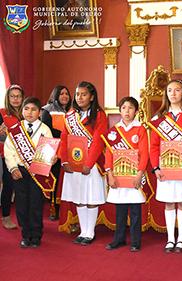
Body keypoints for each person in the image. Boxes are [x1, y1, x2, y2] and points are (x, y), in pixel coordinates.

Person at [149, 79, 182, 254]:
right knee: (169, 203)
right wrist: (156, 167)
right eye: (169, 90)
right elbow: (154, 145)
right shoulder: (159, 117)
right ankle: (170, 239)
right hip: (165, 167)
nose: (173, 93)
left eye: (177, 90)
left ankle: (181, 239)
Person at [60, 81, 107, 246]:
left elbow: (98, 141)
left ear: (92, 97)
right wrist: (64, 160)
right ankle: (82, 231)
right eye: (77, 94)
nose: (80, 97)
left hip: (91, 165)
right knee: (79, 196)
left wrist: (89, 163)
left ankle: (90, 232)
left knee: (91, 196)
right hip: (73, 163)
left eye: (84, 94)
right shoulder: (70, 115)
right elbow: (64, 139)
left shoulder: (99, 115)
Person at [4, 97, 55, 247]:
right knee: (21, 203)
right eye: (26, 109)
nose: (29, 112)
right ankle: (25, 234)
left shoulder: (45, 129)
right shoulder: (16, 130)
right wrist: (13, 168)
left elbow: (49, 148)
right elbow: (9, 151)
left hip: (38, 171)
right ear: (22, 110)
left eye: (33, 109)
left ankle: (36, 234)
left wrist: (52, 158)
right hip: (20, 171)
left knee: (35, 203)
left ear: (39, 112)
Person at [103, 97, 148, 252]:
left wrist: (139, 174)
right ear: (120, 110)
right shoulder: (114, 130)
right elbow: (109, 153)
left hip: (134, 175)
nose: (127, 111)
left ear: (136, 111)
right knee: (120, 210)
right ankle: (119, 239)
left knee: (135, 211)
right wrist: (109, 173)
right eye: (124, 108)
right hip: (118, 175)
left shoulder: (140, 129)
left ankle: (136, 241)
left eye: (130, 108)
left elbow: (144, 154)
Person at [41, 85, 72, 220]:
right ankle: (54, 208)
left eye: (67, 93)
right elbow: (46, 130)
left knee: (65, 180)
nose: (65, 96)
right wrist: (65, 135)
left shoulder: (71, 111)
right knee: (55, 179)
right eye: (61, 94)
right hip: (53, 149)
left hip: (68, 149)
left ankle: (65, 208)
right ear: (55, 95)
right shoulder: (47, 110)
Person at [0, 84, 24, 230]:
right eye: (12, 96)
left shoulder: (27, 113)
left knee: (22, 188)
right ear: (8, 98)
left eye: (18, 96)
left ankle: (23, 218)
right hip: (6, 156)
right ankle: (6, 216)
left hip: (24, 157)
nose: (15, 99)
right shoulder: (1, 113)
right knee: (8, 186)